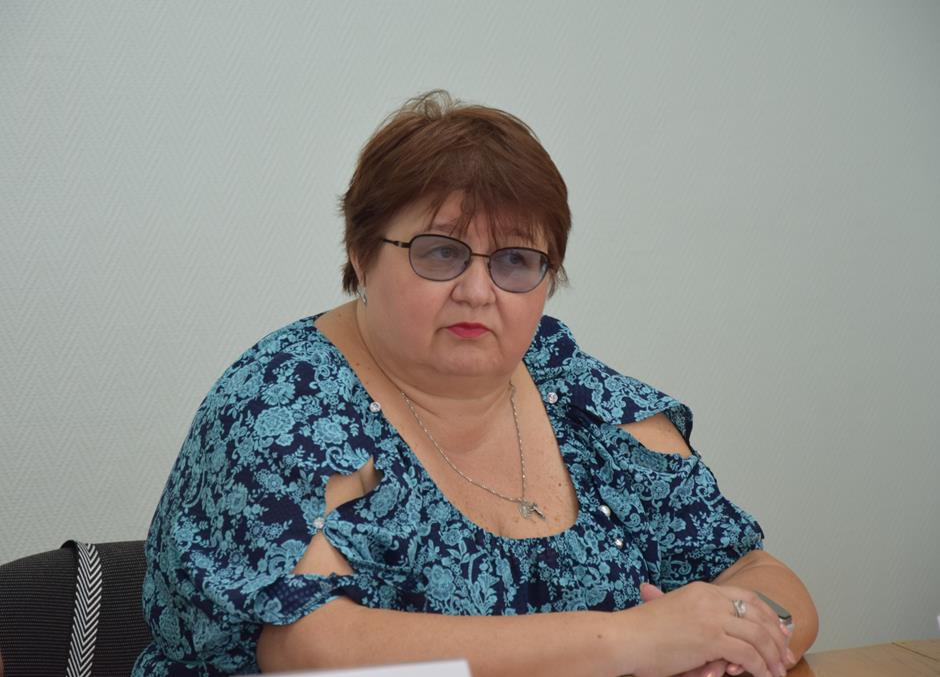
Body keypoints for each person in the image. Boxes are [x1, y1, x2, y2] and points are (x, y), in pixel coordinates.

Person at [134, 91, 817, 677]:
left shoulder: (580, 394)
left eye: (515, 260)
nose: (478, 291)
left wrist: (735, 644)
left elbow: (758, 575)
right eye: (441, 252)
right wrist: (632, 639)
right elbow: (310, 648)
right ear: (361, 253)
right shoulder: (283, 401)